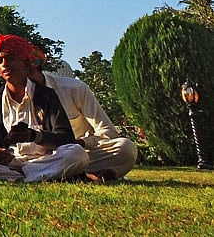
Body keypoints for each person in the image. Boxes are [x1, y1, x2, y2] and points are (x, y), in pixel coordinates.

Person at [0, 34, 88, 182]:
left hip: (47, 159)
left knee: (76, 153)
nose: (5, 64)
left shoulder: (46, 96)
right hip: (13, 163)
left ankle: (24, 175)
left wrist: (33, 136)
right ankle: (34, 175)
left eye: (11, 59)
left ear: (24, 63)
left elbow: (66, 138)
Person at [24, 38, 137, 180]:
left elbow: (109, 132)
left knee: (126, 149)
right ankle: (76, 175)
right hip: (35, 160)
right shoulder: (5, 98)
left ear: (32, 66)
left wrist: (82, 143)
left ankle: (61, 174)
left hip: (77, 155)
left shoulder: (74, 89)